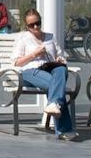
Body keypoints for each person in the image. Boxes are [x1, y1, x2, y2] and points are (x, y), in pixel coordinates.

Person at [12, 9, 76, 140]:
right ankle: (64, 128)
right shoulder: (23, 38)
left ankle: (54, 104)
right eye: (31, 25)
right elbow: (16, 62)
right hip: (30, 72)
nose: (35, 27)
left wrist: (59, 60)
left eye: (38, 23)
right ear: (27, 26)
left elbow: (61, 56)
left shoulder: (50, 37)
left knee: (61, 69)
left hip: (49, 68)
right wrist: (34, 54)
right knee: (57, 84)